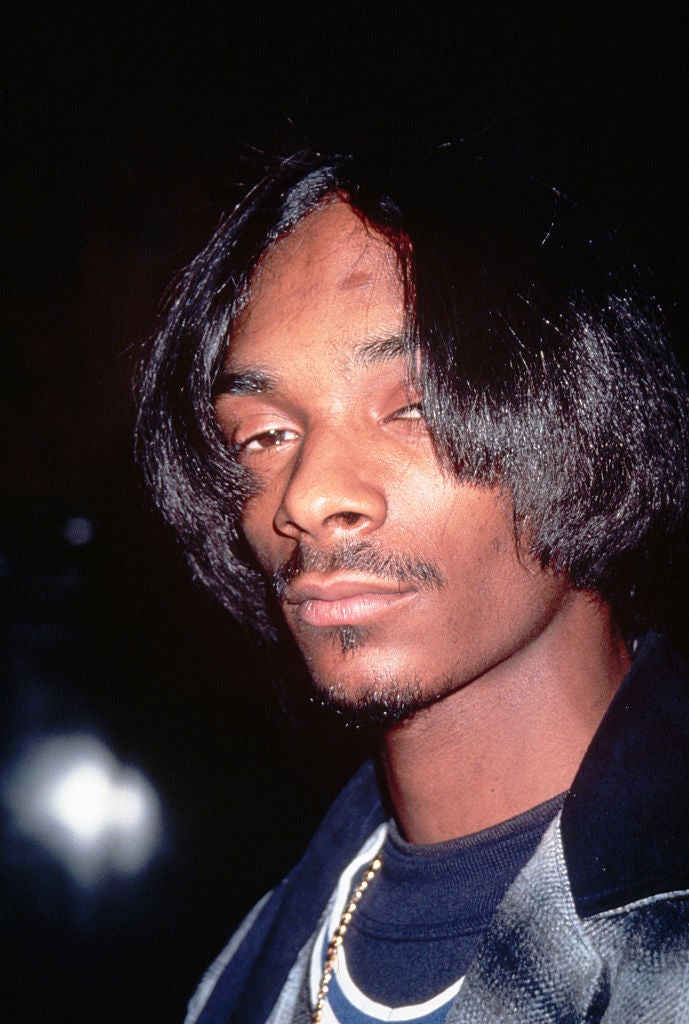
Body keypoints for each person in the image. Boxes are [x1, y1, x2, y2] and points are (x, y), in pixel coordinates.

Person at [136, 148, 689, 1023]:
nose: (306, 498)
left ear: (592, 416)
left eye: (414, 407)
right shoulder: (246, 971)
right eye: (264, 435)